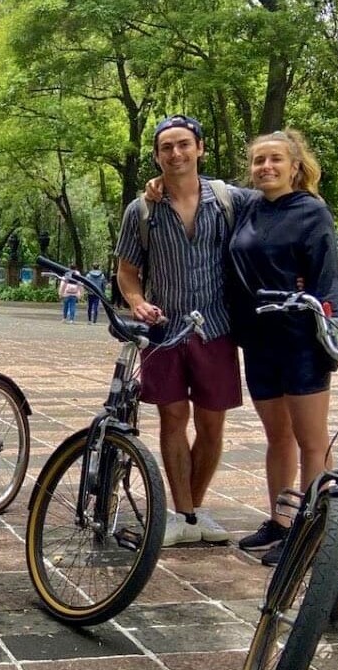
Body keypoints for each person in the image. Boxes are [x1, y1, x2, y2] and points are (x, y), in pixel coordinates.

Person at [117, 114, 243, 548]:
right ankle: (183, 514)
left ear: (200, 148)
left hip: (217, 327)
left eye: (184, 144)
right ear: (157, 156)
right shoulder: (143, 210)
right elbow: (127, 272)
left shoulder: (229, 200)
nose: (176, 153)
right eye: (167, 147)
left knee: (212, 423)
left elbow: (274, 210)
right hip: (164, 329)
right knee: (172, 418)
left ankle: (195, 509)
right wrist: (137, 302)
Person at [226, 129, 338, 567]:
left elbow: (327, 279)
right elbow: (202, 190)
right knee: (278, 437)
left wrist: (332, 333)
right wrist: (157, 185)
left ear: (295, 166)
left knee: (311, 440)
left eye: (275, 159)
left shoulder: (313, 213)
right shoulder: (247, 206)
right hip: (258, 341)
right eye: (259, 161)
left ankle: (311, 531)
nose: (266, 168)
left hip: (301, 342)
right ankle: (281, 521)